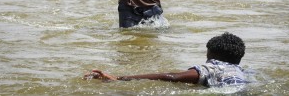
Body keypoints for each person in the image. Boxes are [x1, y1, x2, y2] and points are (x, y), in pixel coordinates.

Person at [84, 32, 247, 88]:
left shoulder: (211, 68)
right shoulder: (241, 72)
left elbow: (171, 77)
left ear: (211, 55)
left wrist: (118, 78)